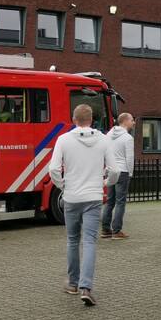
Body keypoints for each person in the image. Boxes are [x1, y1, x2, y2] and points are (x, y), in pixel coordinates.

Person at [48, 103, 115, 306]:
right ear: (92, 120)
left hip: (72, 197)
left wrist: (63, 186)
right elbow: (115, 170)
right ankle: (86, 287)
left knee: (72, 240)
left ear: (74, 120)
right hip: (93, 198)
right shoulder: (103, 140)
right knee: (89, 242)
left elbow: (53, 170)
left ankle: (72, 284)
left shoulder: (63, 139)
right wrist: (104, 183)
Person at [101, 112, 135, 239]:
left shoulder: (108, 135)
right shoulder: (127, 138)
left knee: (110, 201)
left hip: (111, 171)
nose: (133, 122)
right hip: (123, 171)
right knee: (120, 202)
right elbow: (129, 158)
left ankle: (105, 230)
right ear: (125, 121)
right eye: (132, 120)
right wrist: (130, 173)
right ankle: (117, 231)